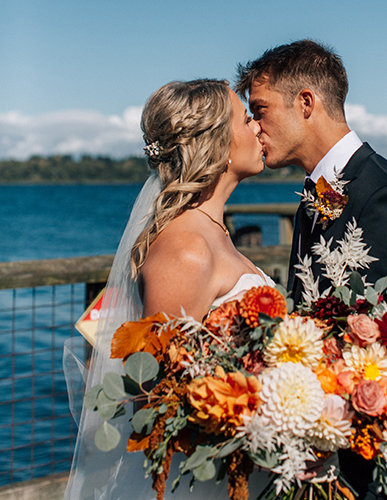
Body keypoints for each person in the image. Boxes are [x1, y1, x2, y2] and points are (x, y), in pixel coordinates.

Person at [235, 40, 387, 500]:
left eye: (260, 110)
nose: (253, 127)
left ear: (306, 102)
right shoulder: (316, 196)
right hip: (328, 462)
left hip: (379, 469)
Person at [63, 79, 274, 500]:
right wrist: (267, 418)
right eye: (245, 119)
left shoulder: (213, 233)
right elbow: (154, 400)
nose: (257, 129)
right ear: (218, 144)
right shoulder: (186, 250)